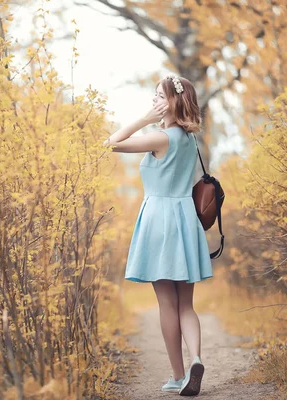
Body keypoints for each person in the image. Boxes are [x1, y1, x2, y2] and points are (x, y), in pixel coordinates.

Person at [103, 75, 213, 396]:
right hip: (185, 220)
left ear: (172, 102)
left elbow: (112, 142)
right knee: (186, 305)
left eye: (158, 98)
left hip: (159, 221)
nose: (153, 103)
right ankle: (196, 359)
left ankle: (179, 376)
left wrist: (144, 120)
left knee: (167, 303)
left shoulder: (160, 137)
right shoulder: (190, 139)